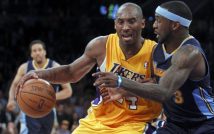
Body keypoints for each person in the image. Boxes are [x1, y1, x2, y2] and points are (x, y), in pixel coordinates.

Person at [16, 3, 162, 134]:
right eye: (120, 22)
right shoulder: (101, 45)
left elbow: (163, 88)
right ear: (115, 25)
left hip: (136, 123)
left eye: (132, 21)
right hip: (97, 121)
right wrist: (38, 74)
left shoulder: (156, 52)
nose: (125, 27)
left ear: (142, 23)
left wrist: (123, 89)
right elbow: (71, 72)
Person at [92, 1, 214, 134]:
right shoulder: (156, 50)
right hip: (174, 124)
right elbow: (151, 84)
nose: (154, 25)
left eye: (158, 21)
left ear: (174, 25)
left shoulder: (190, 53)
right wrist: (123, 92)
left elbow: (163, 91)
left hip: (205, 123)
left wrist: (120, 81)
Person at [7, 40, 72, 134]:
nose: (37, 52)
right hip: (28, 111)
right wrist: (11, 99)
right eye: (34, 51)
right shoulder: (24, 68)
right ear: (31, 54)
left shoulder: (55, 66)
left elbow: (68, 91)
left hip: (48, 110)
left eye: (40, 50)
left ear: (45, 52)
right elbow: (14, 85)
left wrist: (46, 97)